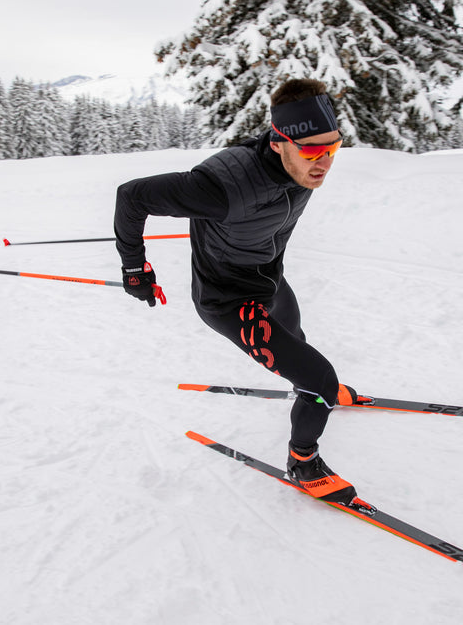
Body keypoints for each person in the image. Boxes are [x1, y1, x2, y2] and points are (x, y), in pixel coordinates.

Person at [114, 79, 371, 507]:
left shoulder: (295, 161)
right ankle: (304, 462)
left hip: (269, 279)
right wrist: (133, 267)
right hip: (230, 303)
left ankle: (313, 394)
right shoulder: (221, 187)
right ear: (279, 142)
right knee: (320, 378)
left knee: (297, 345)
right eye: (311, 150)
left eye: (332, 147)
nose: (323, 161)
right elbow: (131, 196)